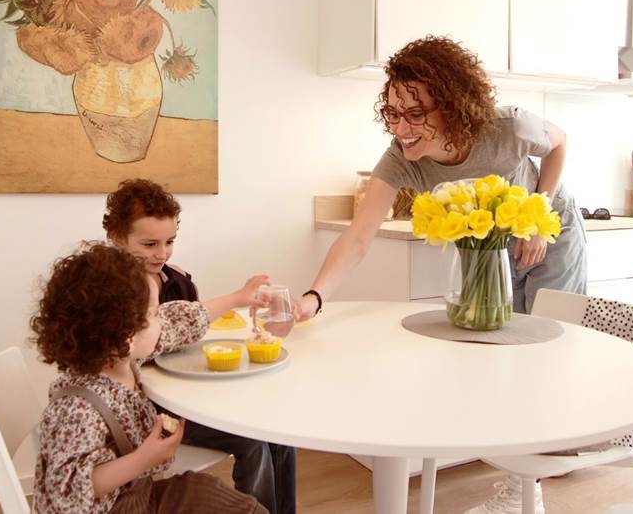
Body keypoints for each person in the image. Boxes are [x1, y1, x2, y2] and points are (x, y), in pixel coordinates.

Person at [295, 36, 587, 514]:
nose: (402, 127)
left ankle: (535, 479)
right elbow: (358, 236)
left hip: (547, 229)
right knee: (501, 356)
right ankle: (520, 477)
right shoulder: (400, 159)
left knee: (552, 346)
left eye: (415, 114)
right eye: (392, 112)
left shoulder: (508, 127)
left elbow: (559, 143)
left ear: (451, 107)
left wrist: (540, 213)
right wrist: (313, 297)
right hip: (485, 245)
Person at [103, 179, 298, 514]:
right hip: (154, 413)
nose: (162, 253)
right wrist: (235, 298)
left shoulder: (174, 280)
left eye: (169, 241)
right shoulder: (108, 293)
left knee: (279, 434)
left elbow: (185, 327)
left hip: (183, 395)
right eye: (150, 243)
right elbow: (159, 337)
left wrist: (238, 299)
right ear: (118, 238)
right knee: (253, 441)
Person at [29, 242, 270, 514]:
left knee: (226, 499)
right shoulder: (77, 409)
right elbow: (68, 491)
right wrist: (143, 459)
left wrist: (237, 298)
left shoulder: (120, 357)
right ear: (126, 335)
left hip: (139, 495)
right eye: (154, 314)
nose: (162, 320)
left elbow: (179, 322)